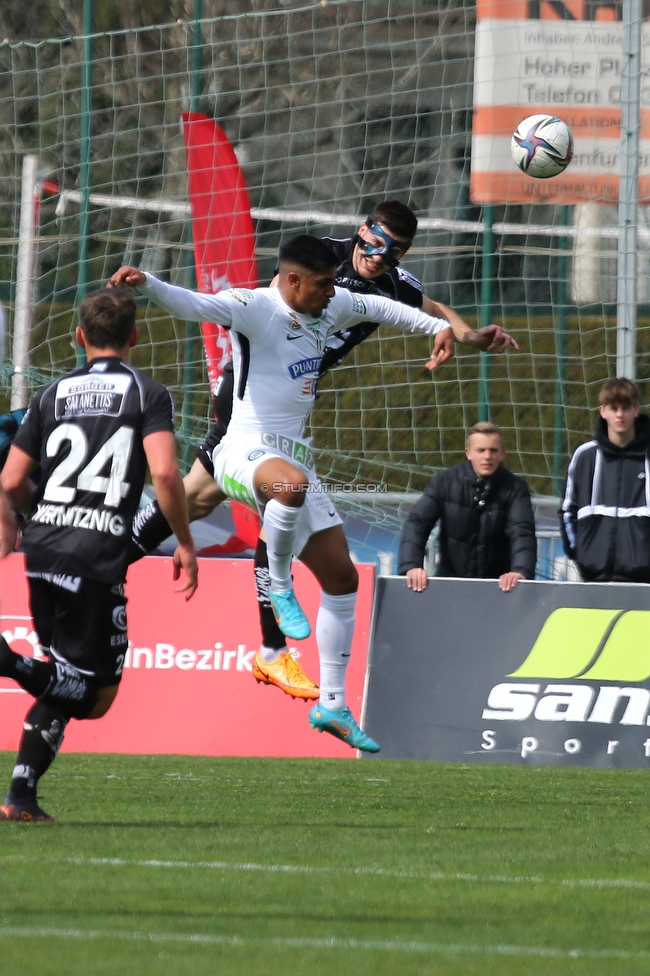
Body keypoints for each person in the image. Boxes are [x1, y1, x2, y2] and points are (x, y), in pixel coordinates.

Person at [124, 202, 519, 701]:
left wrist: (465, 334)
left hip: (290, 412)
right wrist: (153, 286)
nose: (380, 256)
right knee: (274, 493)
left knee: (198, 497)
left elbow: (423, 306)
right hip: (252, 402)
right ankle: (271, 648)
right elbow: (248, 307)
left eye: (394, 250)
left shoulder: (386, 284)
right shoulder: (319, 260)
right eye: (375, 242)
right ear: (360, 232)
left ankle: (116, 555)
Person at [0, 288, 198, 822]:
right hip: (94, 556)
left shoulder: (51, 394)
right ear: (135, 336)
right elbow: (163, 474)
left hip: (42, 550)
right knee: (95, 698)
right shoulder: (147, 393)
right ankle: (7, 660)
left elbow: (12, 479)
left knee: (66, 675)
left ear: (80, 336)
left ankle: (21, 796)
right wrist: (183, 540)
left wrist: (43, 513)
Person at [398, 422, 536, 591]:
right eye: (481, 450)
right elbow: (417, 523)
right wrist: (411, 566)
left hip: (499, 589)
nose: (487, 456)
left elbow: (522, 533)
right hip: (449, 584)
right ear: (468, 453)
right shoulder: (444, 482)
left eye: (493, 450)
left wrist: (520, 571)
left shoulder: (516, 488)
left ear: (502, 454)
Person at [560, 377, 650, 582]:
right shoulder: (585, 456)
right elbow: (567, 511)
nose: (620, 414)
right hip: (593, 577)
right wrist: (582, 553)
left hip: (644, 581)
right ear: (603, 411)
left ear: (636, 410)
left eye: (626, 408)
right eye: (614, 408)